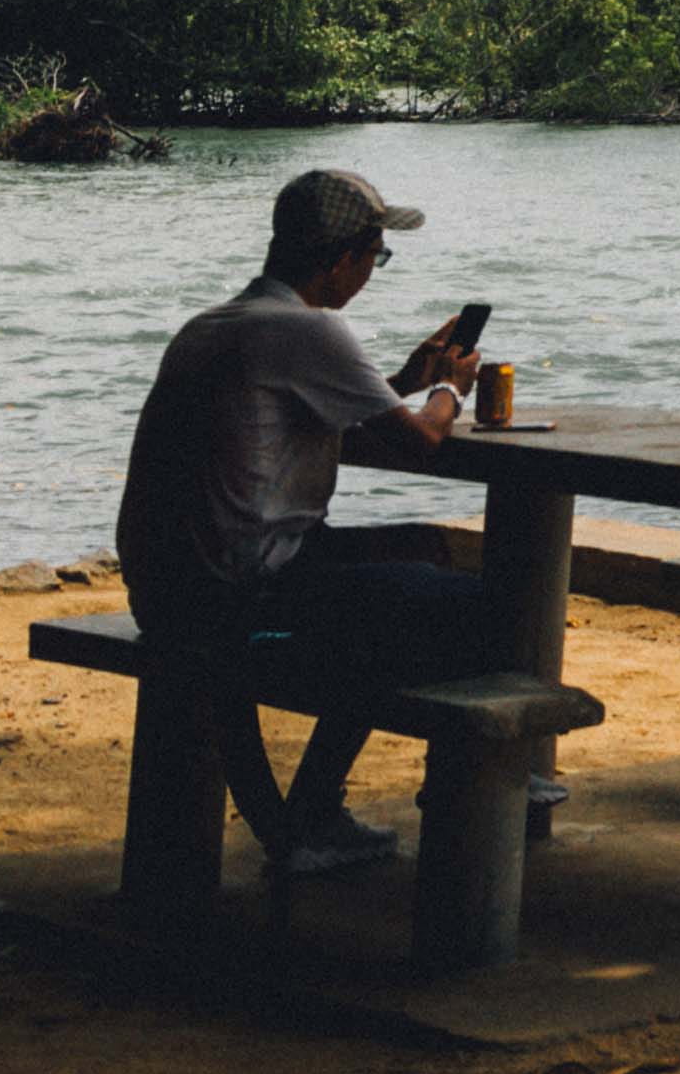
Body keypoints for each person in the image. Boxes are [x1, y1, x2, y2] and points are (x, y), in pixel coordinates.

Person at [113, 165, 494, 877]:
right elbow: (420, 442)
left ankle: (309, 812)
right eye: (376, 257)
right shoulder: (311, 329)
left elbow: (300, 427)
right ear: (344, 257)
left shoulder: (218, 324)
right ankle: (456, 787)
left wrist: (405, 380)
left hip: (170, 587)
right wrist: (450, 386)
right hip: (236, 598)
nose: (373, 273)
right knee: (481, 611)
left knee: (425, 551)